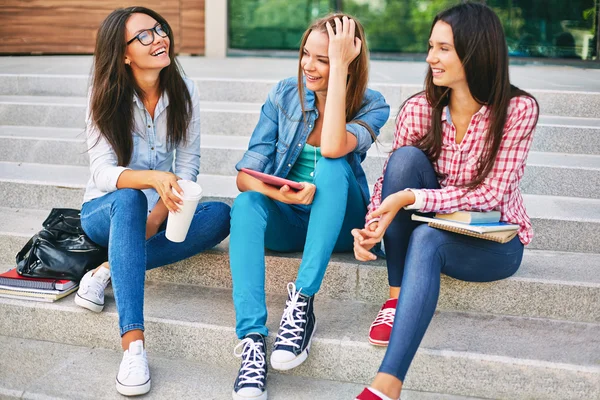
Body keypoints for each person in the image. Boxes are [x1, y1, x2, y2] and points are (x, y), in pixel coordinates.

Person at [352, 3, 539, 400]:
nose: (429, 57)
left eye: (442, 48)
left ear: (475, 51)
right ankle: (397, 296)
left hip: (494, 240)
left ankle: (386, 384)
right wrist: (373, 226)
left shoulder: (517, 110)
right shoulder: (421, 108)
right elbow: (391, 179)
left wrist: (411, 197)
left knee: (427, 238)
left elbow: (490, 193)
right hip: (436, 217)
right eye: (430, 46)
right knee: (404, 160)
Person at [229, 13, 390, 400]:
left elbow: (335, 147)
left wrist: (338, 74)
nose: (309, 65)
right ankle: (252, 341)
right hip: (291, 217)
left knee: (333, 166)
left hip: (340, 221)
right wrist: (279, 194)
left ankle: (301, 302)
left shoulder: (372, 104)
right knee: (247, 203)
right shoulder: (284, 94)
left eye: (324, 58)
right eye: (306, 54)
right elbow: (245, 175)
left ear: (348, 60)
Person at [74, 7, 230, 396]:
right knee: (129, 199)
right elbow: (102, 173)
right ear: (123, 53)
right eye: (144, 35)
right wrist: (153, 181)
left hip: (157, 211)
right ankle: (134, 348)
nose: (159, 38)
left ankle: (109, 268)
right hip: (105, 211)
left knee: (221, 215)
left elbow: (189, 162)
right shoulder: (105, 95)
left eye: (159, 30)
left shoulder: (184, 90)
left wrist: (161, 211)